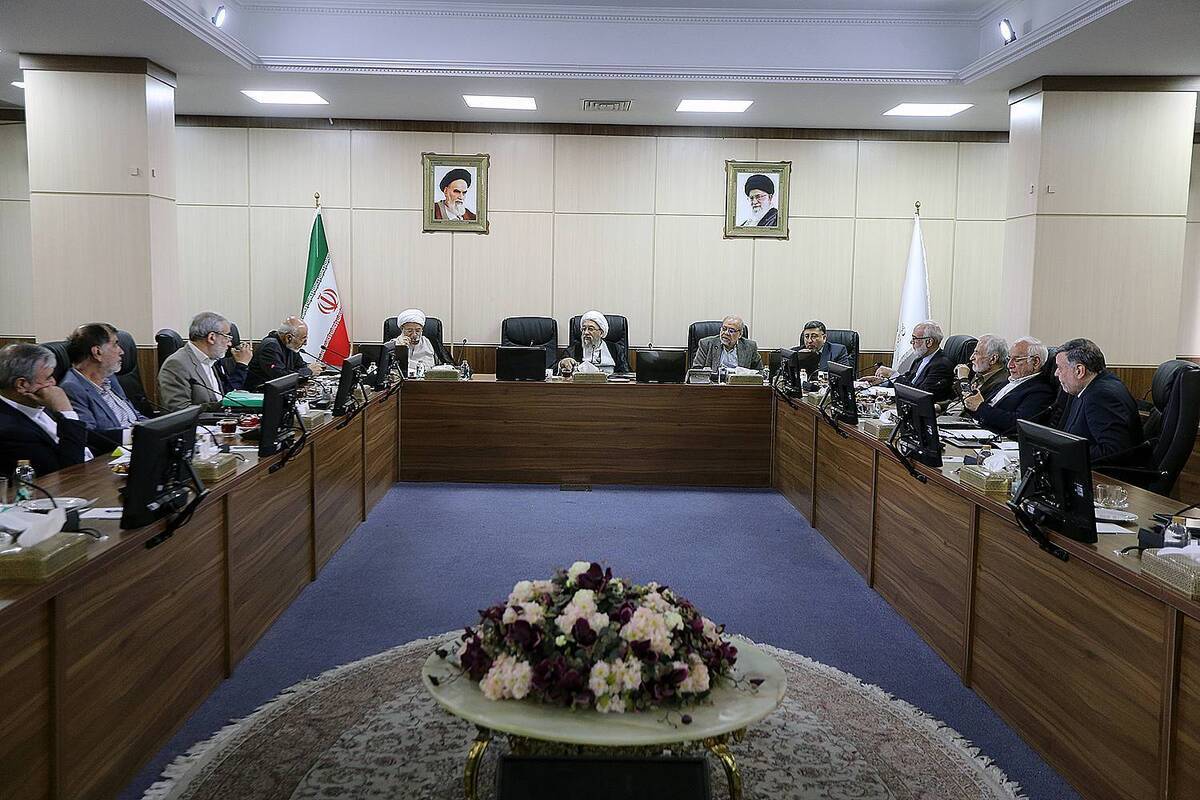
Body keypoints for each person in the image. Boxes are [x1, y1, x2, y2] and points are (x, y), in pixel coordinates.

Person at [0, 343, 92, 476]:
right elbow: (69, 473)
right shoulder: (11, 432)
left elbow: (84, 437)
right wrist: (66, 412)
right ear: (22, 385)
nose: (54, 382)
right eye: (48, 378)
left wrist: (123, 435)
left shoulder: (34, 401)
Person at [1053, 337, 1143, 464]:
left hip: (1102, 473)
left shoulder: (1101, 396)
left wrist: (1065, 454)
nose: (1056, 373)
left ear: (1079, 371)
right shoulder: (1091, 387)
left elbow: (1114, 451)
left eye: (1060, 368)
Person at [59, 322, 145, 449]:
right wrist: (135, 435)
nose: (121, 351)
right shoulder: (72, 388)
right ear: (97, 352)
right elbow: (89, 435)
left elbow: (134, 417)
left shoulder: (110, 378)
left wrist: (157, 428)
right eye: (115, 344)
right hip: (115, 453)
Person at [159, 312, 254, 410]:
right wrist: (220, 406)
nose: (229, 344)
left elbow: (221, 396)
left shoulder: (211, 360)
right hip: (203, 420)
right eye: (227, 337)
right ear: (211, 337)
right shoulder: (176, 364)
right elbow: (179, 410)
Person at [965, 336, 1056, 436]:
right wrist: (971, 402)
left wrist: (980, 407)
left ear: (1035, 362)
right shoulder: (1009, 381)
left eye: (1017, 360)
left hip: (996, 439)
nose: (1009, 365)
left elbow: (1017, 423)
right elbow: (980, 408)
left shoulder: (1040, 391)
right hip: (975, 429)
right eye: (1009, 359)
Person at [862, 320, 955, 402]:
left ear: (929, 342)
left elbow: (921, 394)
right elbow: (907, 381)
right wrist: (882, 381)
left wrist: (892, 374)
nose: (911, 342)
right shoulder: (919, 360)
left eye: (915, 339)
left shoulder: (941, 365)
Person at [247, 316, 326, 392]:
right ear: (289, 337)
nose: (305, 343)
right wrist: (308, 371)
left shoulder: (290, 345)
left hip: (278, 391)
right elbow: (280, 377)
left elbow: (300, 365)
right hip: (260, 393)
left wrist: (312, 367)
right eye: (303, 339)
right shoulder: (270, 346)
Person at [558, 310, 630, 376]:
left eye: (590, 329)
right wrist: (562, 363)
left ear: (601, 333)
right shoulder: (573, 350)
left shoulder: (615, 349)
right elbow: (554, 370)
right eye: (583, 329)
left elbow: (626, 373)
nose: (586, 332)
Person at [693, 316, 764, 371]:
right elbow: (696, 370)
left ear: (740, 334)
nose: (726, 333)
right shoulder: (706, 344)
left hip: (738, 384)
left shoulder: (750, 346)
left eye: (731, 331)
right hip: (714, 384)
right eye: (724, 329)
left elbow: (759, 371)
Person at [965, 335, 1010, 401]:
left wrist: (963, 379)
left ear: (993, 359)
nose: (971, 358)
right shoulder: (980, 370)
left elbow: (969, 402)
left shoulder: (1000, 384)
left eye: (976, 353)